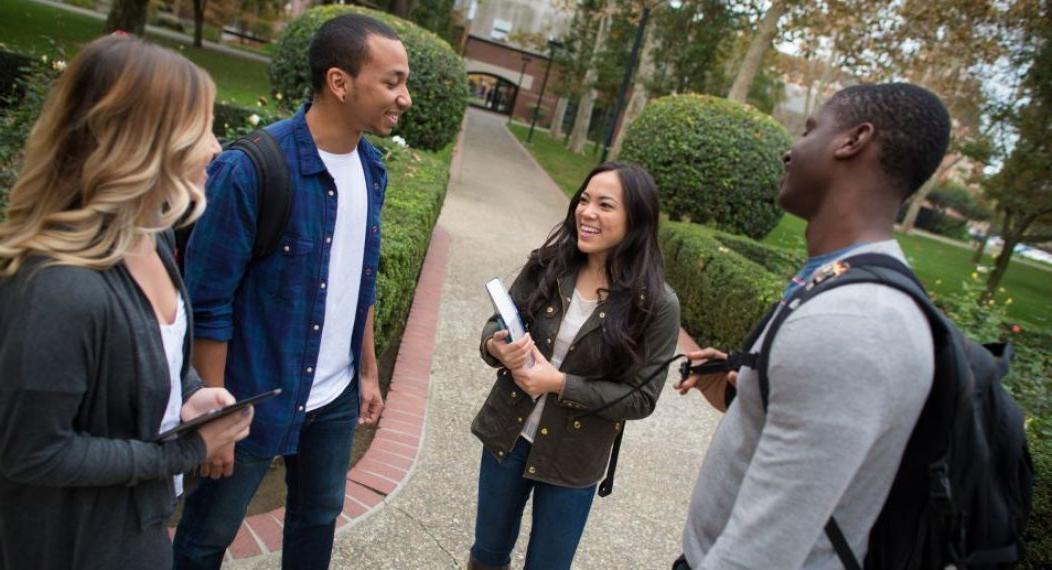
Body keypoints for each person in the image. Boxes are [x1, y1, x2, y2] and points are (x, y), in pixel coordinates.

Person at [0, 35, 253, 569]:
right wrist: (185, 451)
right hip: (74, 546)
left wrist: (188, 395)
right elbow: (33, 451)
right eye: (201, 128)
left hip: (136, 522)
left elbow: (153, 352)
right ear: (146, 142)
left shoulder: (151, 235)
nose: (215, 147)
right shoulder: (60, 289)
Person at [675, 83, 951, 569]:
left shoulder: (853, 324)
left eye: (808, 130)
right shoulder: (839, 284)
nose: (789, 149)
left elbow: (762, 556)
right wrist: (746, 388)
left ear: (853, 141)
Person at [172, 13, 411, 569]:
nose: (404, 98)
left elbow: (360, 280)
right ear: (339, 82)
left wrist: (369, 371)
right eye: (392, 81)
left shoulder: (372, 169)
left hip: (334, 397)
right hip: (253, 397)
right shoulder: (251, 168)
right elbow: (207, 305)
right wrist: (215, 421)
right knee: (206, 537)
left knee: (317, 521)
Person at [469, 162, 681, 570]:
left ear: (636, 218)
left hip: (574, 459)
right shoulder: (550, 263)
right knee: (487, 555)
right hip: (507, 437)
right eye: (584, 200)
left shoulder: (656, 305)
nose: (586, 212)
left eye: (605, 205)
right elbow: (501, 321)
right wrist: (496, 346)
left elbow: (642, 399)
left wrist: (560, 383)